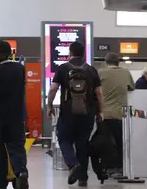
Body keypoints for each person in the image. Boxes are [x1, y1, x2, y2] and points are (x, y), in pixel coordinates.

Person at [46, 41, 103, 187]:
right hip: (87, 112)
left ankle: (73, 164)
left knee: (64, 138)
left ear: (70, 53)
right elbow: (99, 93)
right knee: (82, 143)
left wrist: (49, 105)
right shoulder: (91, 70)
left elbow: (53, 89)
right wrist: (100, 111)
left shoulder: (63, 68)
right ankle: (83, 178)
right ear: (84, 53)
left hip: (68, 112)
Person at [0, 41, 28, 189]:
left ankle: (0, 183)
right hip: (16, 116)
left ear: (3, 54)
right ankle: (21, 172)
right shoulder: (20, 68)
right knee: (17, 147)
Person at [97, 53, 134, 180]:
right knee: (120, 142)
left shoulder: (100, 73)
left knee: (107, 143)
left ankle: (109, 168)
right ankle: (120, 167)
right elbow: (131, 87)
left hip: (105, 114)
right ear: (118, 62)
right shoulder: (126, 73)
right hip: (121, 114)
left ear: (106, 62)